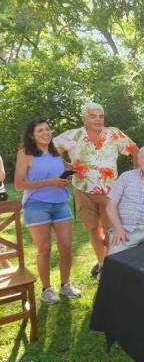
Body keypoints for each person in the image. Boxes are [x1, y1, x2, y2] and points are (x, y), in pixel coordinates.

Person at [53, 102, 137, 279]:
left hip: (110, 192)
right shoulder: (73, 136)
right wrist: (65, 165)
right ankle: (102, 265)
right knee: (93, 229)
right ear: (84, 119)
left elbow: (134, 150)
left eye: (101, 116)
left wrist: (135, 176)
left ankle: (113, 263)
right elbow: (51, 150)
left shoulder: (113, 133)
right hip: (83, 191)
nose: (98, 120)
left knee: (110, 231)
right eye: (93, 116)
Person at [14, 119, 81, 304]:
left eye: (48, 129)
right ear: (31, 135)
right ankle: (46, 289)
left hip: (60, 203)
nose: (46, 132)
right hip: (36, 206)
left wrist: (65, 179)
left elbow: (64, 171)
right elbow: (19, 185)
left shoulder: (56, 153)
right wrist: (50, 182)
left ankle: (65, 285)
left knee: (66, 247)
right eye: (40, 130)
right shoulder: (25, 153)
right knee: (44, 249)